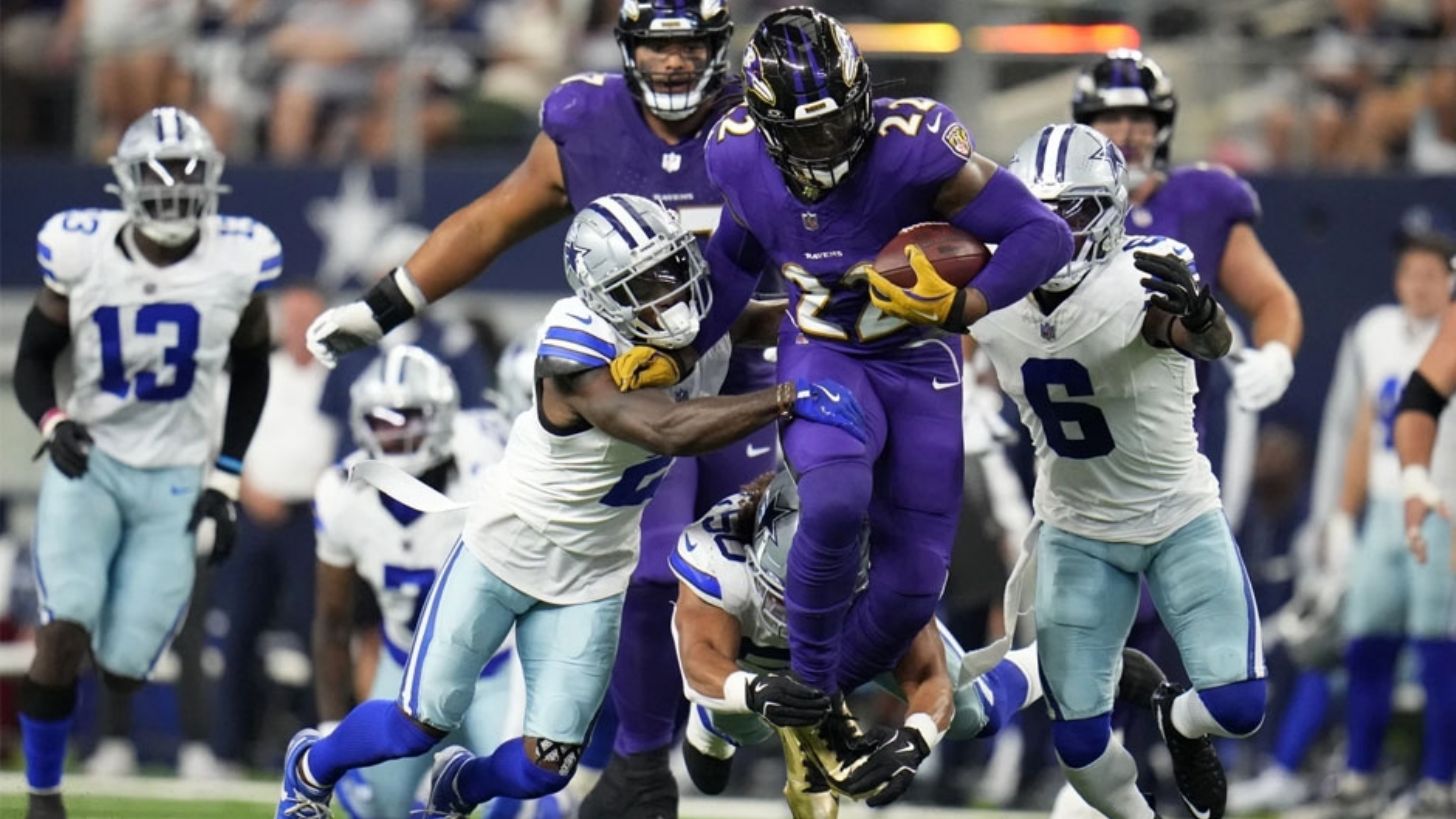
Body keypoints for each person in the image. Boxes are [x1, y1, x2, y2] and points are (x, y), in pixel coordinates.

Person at [301, 4, 777, 812]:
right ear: (628, 49)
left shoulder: (756, 123)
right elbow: (493, 219)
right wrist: (383, 307)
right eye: (657, 46)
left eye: (689, 45)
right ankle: (641, 758)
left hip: (743, 356)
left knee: (778, 557)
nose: (672, 63)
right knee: (653, 569)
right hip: (639, 389)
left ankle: (717, 720)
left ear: (717, 47)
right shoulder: (586, 130)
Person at [275, 193, 867, 819]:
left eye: (672, 267)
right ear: (604, 297)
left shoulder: (694, 317)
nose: (670, 292)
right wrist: (786, 397)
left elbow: (767, 321)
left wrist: (858, 306)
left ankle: (460, 786)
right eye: (644, 283)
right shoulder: (573, 345)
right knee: (416, 724)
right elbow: (664, 428)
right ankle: (311, 765)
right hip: (505, 551)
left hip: (594, 572)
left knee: (546, 767)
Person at [609, 8, 1072, 780]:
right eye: (805, 132)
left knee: (912, 585)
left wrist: (967, 303)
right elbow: (734, 262)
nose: (826, 145)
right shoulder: (738, 155)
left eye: (836, 123)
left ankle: (814, 698)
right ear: (766, 125)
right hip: (825, 354)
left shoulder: (915, 147)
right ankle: (813, 693)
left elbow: (1043, 233)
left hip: (918, 360)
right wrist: (684, 349)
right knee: (831, 502)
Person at [970, 123, 1264, 819]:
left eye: (1072, 212)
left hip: (1175, 514)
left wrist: (1204, 314)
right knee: (1078, 746)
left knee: (1237, 704)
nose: (1055, 231)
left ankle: (1177, 719)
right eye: (1039, 212)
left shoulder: (1142, 275)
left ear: (1108, 213)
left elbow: (1202, 338)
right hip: (1077, 529)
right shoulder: (991, 288)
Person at [12, 106, 277, 819]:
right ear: (125, 182)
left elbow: (253, 367)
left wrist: (226, 475)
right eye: (160, 175)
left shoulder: (239, 258)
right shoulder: (81, 250)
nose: (174, 189)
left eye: (188, 173)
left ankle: (109, 632)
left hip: (175, 477)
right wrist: (53, 420)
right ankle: (43, 797)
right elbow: (33, 356)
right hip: (90, 464)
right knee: (63, 628)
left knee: (126, 668)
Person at [670, 468, 1171, 815]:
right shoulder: (719, 553)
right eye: (786, 593)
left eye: (820, 596)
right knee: (734, 726)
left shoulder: (890, 566)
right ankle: (711, 725)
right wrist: (750, 690)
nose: (801, 614)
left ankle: (1071, 663)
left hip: (856, 633)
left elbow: (929, 677)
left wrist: (913, 742)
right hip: (752, 658)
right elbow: (699, 656)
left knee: (973, 711)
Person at [313, 344, 524, 819]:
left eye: (407, 417)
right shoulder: (341, 495)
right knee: (372, 804)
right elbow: (332, 620)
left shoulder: (489, 462)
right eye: (381, 420)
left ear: (440, 415)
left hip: (496, 664)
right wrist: (331, 724)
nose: (395, 432)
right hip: (407, 667)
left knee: (525, 804)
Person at [1073, 49, 1303, 419]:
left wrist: (1276, 357)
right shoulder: (1058, 208)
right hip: (1080, 426)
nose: (1126, 133)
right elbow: (999, 301)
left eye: (1140, 118)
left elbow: (1272, 299)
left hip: (1177, 437)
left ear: (1161, 127)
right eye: (1111, 117)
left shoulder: (1203, 199)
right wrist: (977, 385)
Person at [1333, 235, 1456, 817]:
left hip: (1444, 504)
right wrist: (1342, 514)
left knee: (1440, 646)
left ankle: (1440, 780)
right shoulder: (1377, 331)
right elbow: (1366, 425)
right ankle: (1361, 771)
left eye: (1433, 274)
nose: (1421, 286)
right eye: (1412, 273)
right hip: (1388, 502)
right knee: (1367, 641)